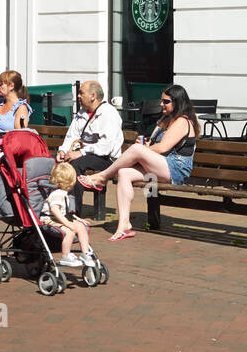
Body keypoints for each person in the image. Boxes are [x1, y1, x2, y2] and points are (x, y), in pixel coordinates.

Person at [77, 84, 199, 241]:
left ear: (177, 102)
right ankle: (124, 226)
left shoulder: (183, 121)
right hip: (162, 164)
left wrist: (143, 150)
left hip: (176, 168)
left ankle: (102, 177)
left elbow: (163, 147)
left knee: (136, 149)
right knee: (123, 173)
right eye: (161, 100)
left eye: (166, 101)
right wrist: (146, 146)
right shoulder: (165, 119)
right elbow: (154, 144)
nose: (162, 104)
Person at [57, 81, 124, 207]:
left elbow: (106, 147)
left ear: (93, 96)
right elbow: (71, 136)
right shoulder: (81, 113)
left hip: (105, 159)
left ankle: (73, 210)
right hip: (85, 155)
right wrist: (63, 151)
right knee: (54, 162)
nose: (78, 96)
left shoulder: (108, 113)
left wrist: (81, 152)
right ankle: (53, 206)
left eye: (81, 93)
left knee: (75, 165)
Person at [42, 162, 96, 267]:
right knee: (69, 231)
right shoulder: (56, 194)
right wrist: (67, 223)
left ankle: (85, 253)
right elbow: (55, 210)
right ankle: (65, 255)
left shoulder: (64, 193)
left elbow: (66, 211)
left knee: (81, 227)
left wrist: (77, 219)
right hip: (50, 219)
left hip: (61, 218)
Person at [0, 70, 32, 134]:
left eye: (1, 84)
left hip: (5, 142)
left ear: (11, 86)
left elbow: (19, 134)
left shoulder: (21, 108)